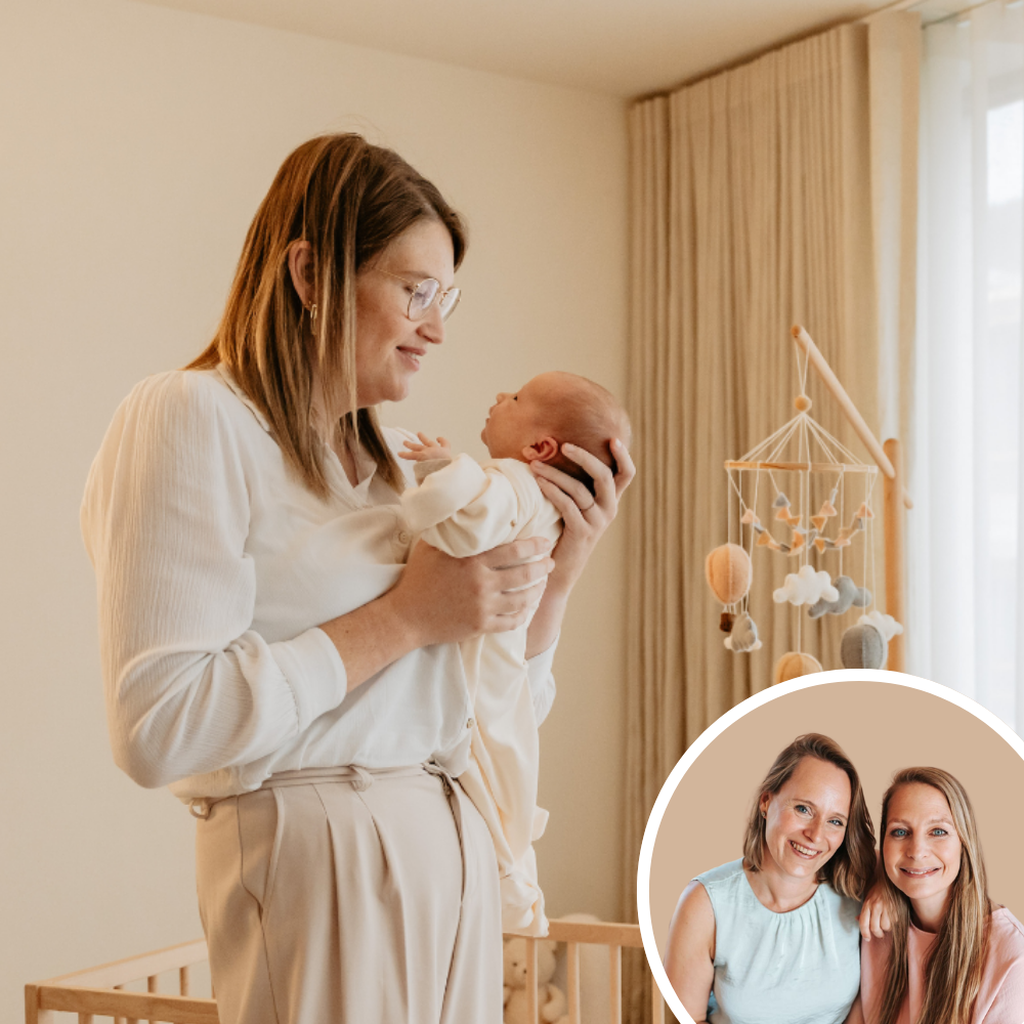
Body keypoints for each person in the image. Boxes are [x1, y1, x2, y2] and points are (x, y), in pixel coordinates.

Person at [80, 134, 634, 1024]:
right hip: (324, 869)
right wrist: (407, 618)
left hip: (452, 860)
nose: (437, 329)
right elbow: (159, 726)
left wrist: (558, 573)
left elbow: (488, 709)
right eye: (416, 292)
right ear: (310, 273)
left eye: (445, 298)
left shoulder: (400, 472)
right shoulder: (192, 417)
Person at [398, 371, 631, 937]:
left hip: (482, 681)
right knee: (505, 776)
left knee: (499, 771)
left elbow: (463, 521)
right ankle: (515, 878)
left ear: (540, 448)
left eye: (518, 398)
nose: (501, 396)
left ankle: (514, 878)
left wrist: (440, 472)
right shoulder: (529, 496)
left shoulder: (509, 484)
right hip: (471, 698)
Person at [663, 733, 876, 1024]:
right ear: (766, 801)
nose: (816, 835)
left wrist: (885, 891)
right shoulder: (705, 904)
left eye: (835, 821)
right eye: (803, 809)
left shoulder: (857, 893)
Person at [846, 768, 1024, 1024]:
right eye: (900, 832)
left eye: (938, 831)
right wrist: (880, 882)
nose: (917, 851)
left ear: (964, 842)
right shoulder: (878, 922)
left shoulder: (1013, 959)